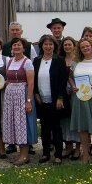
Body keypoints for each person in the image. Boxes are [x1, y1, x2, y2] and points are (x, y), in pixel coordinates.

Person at [33, 35, 67, 164]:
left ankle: (58, 154)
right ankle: (46, 153)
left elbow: (62, 81)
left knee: (56, 127)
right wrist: (36, 94)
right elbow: (34, 79)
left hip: (55, 99)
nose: (48, 47)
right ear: (41, 46)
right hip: (41, 100)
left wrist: (60, 98)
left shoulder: (59, 60)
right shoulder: (37, 60)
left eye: (50, 44)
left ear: (54, 46)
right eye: (46, 44)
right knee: (45, 128)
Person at [2, 38, 34, 166]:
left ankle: (25, 155)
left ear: (23, 47)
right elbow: (8, 79)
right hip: (10, 95)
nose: (16, 47)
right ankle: (20, 154)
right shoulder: (9, 61)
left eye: (19, 45)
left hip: (22, 93)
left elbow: (31, 83)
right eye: (14, 45)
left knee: (22, 124)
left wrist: (28, 101)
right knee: (14, 123)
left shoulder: (27, 62)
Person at [59, 37, 80, 160]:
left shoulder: (79, 60)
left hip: (77, 92)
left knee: (76, 119)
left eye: (69, 44)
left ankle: (78, 148)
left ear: (74, 46)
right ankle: (68, 146)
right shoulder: (60, 60)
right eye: (65, 45)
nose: (67, 47)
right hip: (64, 93)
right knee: (65, 120)